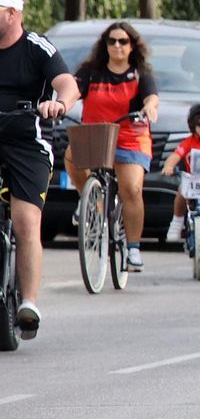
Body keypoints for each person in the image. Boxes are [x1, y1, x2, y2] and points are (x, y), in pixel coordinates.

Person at [0, 0, 78, 339]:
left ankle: (28, 302)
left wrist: (58, 103)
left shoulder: (35, 47)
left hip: (26, 140)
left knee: (25, 219)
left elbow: (67, 83)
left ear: (12, 14)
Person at [67, 21, 159, 269]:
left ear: (132, 46)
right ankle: (88, 199)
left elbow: (151, 97)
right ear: (104, 45)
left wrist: (150, 107)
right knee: (71, 154)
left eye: (123, 41)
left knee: (131, 189)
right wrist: (62, 103)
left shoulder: (140, 73)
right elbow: (74, 90)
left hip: (130, 135)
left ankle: (133, 249)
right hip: (96, 134)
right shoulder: (91, 71)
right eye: (112, 41)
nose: (117, 45)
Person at [159, 103, 200, 260]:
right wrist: (169, 166)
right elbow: (176, 155)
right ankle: (176, 222)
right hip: (191, 182)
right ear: (192, 124)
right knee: (181, 194)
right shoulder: (189, 142)